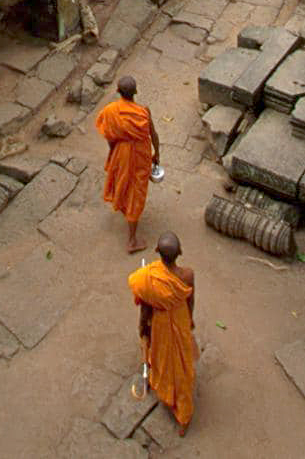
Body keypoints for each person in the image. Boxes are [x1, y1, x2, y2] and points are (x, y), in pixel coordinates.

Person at [130, 232, 197, 436]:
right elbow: (191, 300)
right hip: (181, 318)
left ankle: (161, 385)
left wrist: (143, 325)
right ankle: (183, 418)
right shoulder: (188, 275)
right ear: (180, 253)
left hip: (159, 323)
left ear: (157, 252)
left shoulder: (149, 277)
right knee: (182, 365)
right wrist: (190, 319)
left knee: (161, 356)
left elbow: (145, 307)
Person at [95, 76, 159, 252]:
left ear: (118, 92)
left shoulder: (110, 111)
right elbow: (154, 135)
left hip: (121, 152)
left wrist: (113, 151)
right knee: (136, 192)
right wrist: (157, 154)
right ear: (136, 92)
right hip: (141, 154)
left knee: (122, 182)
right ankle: (132, 240)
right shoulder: (144, 112)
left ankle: (126, 210)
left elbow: (109, 136)